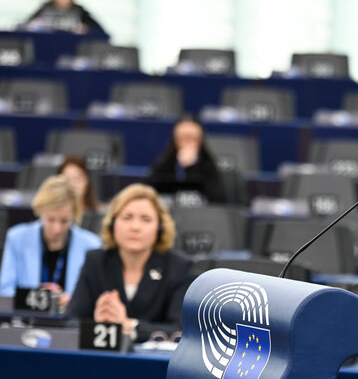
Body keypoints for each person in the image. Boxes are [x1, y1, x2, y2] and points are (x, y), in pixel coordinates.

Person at [67, 183, 193, 343]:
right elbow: (70, 321)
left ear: (160, 228)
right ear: (112, 224)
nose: (135, 227)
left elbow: (180, 330)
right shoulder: (95, 261)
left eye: (146, 219)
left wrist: (129, 326)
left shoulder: (179, 267)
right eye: (127, 217)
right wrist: (97, 324)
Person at [0, 175, 101, 309]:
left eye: (64, 221)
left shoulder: (92, 245)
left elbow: (97, 298)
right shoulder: (17, 238)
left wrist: (74, 301)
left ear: (75, 215)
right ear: (39, 210)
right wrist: (31, 298)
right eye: (51, 219)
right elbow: (5, 292)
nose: (57, 229)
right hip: (27, 322)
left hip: (70, 324)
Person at [147, 115, 226, 204]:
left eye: (192, 138)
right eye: (182, 138)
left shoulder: (209, 166)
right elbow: (149, 192)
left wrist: (191, 166)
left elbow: (218, 200)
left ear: (200, 140)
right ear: (174, 140)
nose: (187, 143)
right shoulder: (164, 164)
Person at [22, 0, 106, 35]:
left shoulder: (79, 11)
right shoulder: (45, 8)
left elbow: (99, 30)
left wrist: (86, 30)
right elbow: (25, 26)